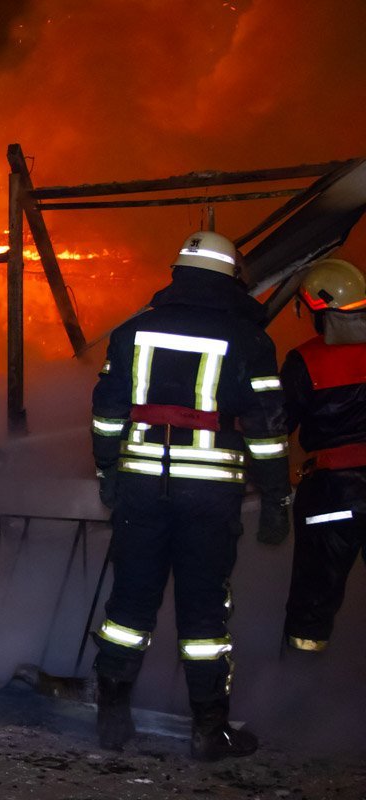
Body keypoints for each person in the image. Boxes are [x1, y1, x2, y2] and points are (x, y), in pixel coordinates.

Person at [90, 230, 291, 761]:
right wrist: (276, 498)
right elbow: (267, 431)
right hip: (209, 497)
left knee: (129, 604)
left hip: (141, 489)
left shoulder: (131, 332)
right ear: (230, 280)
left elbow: (107, 412)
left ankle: (111, 716)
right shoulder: (250, 341)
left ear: (178, 275)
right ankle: (209, 730)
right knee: (204, 614)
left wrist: (108, 470)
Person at [280, 258, 366, 652]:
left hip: (332, 494)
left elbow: (278, 424)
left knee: (313, 599)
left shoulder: (306, 361)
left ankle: (300, 687)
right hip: (336, 489)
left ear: (316, 308)